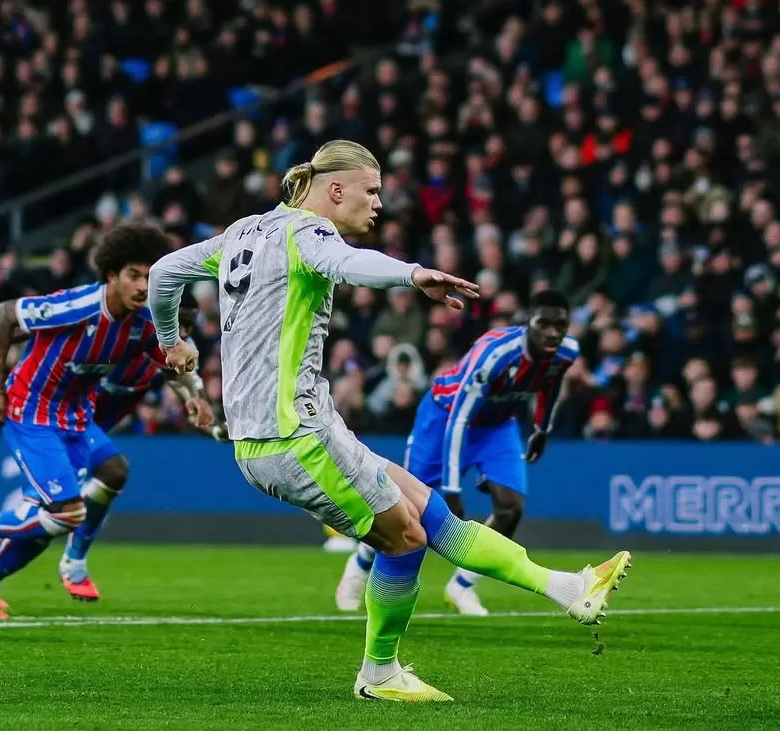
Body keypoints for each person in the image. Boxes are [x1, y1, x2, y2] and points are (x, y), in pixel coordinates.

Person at [146, 140, 631, 703]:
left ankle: (570, 589)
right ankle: (379, 673)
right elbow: (349, 262)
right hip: (290, 437)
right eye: (371, 191)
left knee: (432, 514)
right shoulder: (309, 233)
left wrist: (169, 341)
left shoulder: (243, 233)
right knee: (405, 541)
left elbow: (164, 271)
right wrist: (414, 273)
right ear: (335, 190)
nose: (378, 204)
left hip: (310, 428)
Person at [0, 223, 210, 620]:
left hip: (75, 420)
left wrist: (195, 395)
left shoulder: (145, 324)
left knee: (48, 522)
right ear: (111, 274)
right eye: (134, 275)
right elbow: (4, 314)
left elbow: (171, 360)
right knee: (63, 513)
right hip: (31, 409)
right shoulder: (79, 306)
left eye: (150, 276)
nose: (144, 286)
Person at [337, 289, 579, 616]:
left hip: (497, 423)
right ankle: (361, 562)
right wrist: (452, 487)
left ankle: (462, 586)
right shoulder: (495, 353)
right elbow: (459, 418)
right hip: (443, 416)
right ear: (527, 323)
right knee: (401, 507)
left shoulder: (567, 351)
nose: (552, 332)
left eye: (559, 325)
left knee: (510, 508)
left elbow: (549, 385)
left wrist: (541, 429)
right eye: (544, 323)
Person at [56, 291, 216, 601]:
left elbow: (186, 382)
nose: (184, 333)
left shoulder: (175, 352)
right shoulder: (126, 338)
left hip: (90, 431)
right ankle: (73, 560)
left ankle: (71, 559)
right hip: (61, 419)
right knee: (109, 475)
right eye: (178, 323)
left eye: (190, 326)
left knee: (51, 511)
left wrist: (201, 406)